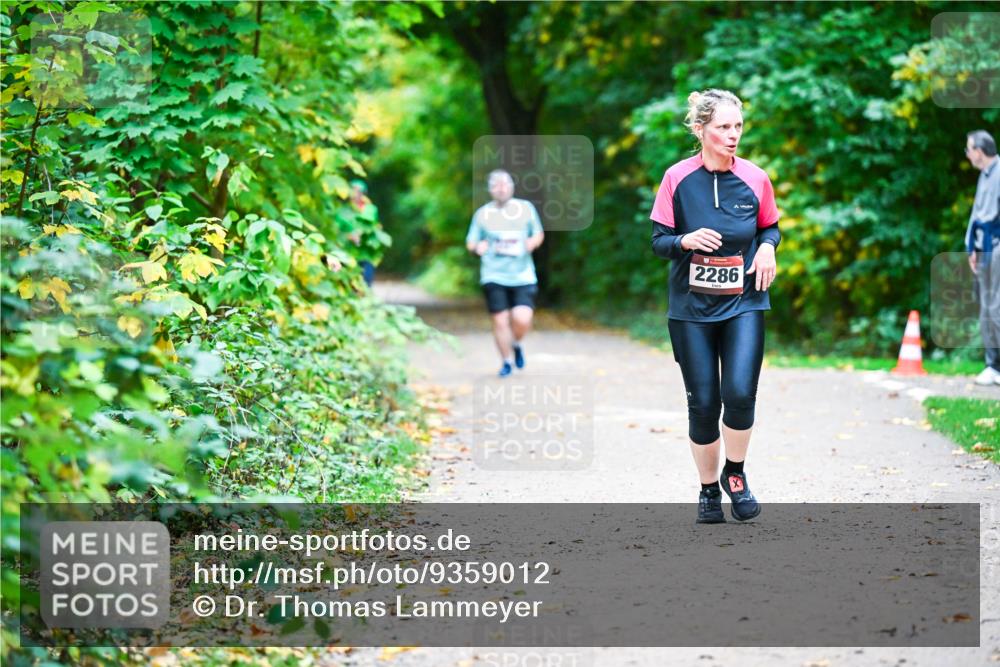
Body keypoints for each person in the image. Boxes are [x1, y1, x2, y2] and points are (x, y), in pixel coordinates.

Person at [649, 89, 780, 524]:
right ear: (700, 129)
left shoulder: (756, 178)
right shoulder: (676, 178)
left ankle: (735, 475)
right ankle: (707, 491)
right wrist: (684, 240)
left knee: (740, 394)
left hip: (744, 302)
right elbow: (658, 242)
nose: (733, 135)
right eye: (723, 127)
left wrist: (767, 248)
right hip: (691, 310)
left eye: (738, 126)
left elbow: (770, 227)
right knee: (703, 402)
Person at [466, 169, 545, 377]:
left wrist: (532, 242)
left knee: (522, 318)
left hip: (522, 275)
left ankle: (516, 343)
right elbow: (471, 242)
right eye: (496, 185)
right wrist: (477, 248)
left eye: (504, 185)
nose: (501, 189)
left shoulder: (525, 209)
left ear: (511, 187)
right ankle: (506, 362)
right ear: (490, 190)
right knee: (500, 320)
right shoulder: (482, 214)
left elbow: (538, 233)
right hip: (493, 274)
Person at [964, 129, 1000, 386]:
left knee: (997, 306)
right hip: (984, 249)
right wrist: (971, 248)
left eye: (969, 149)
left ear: (979, 150)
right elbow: (976, 216)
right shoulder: (984, 177)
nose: (967, 155)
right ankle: (993, 365)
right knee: (986, 306)